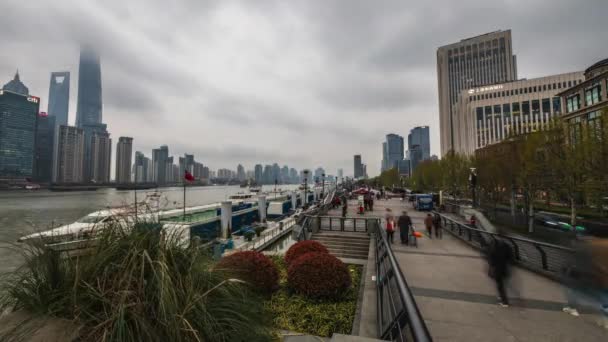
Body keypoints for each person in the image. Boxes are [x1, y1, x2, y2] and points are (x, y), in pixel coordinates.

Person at [486, 239, 513, 307]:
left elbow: (490, 257)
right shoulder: (507, 246)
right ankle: (502, 297)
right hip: (504, 268)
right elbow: (511, 258)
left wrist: (491, 265)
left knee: (500, 285)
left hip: (497, 269)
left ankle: (505, 302)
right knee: (501, 284)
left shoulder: (494, 245)